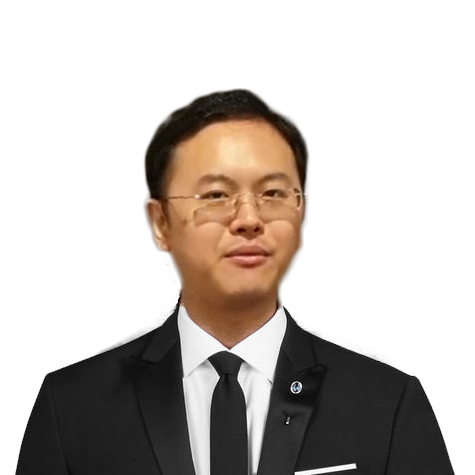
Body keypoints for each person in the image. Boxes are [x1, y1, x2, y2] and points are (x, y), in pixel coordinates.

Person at [15, 90, 454, 475]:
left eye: (273, 193)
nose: (248, 219)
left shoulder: (388, 405)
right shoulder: (71, 410)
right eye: (216, 195)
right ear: (162, 222)